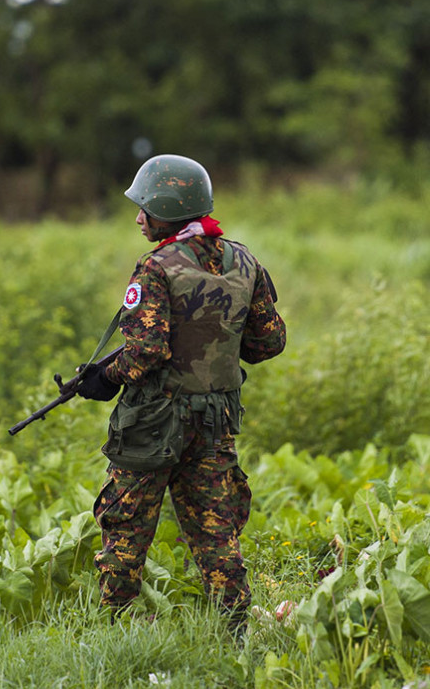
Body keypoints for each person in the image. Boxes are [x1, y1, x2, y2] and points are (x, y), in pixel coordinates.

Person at [77, 154, 286, 631]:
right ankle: (236, 632)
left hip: (154, 421)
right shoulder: (244, 260)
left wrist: (104, 379)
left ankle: (114, 628)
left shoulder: (156, 267)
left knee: (126, 526)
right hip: (216, 420)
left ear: (167, 209)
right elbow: (269, 341)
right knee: (217, 532)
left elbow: (145, 353)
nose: (138, 217)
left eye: (144, 207)